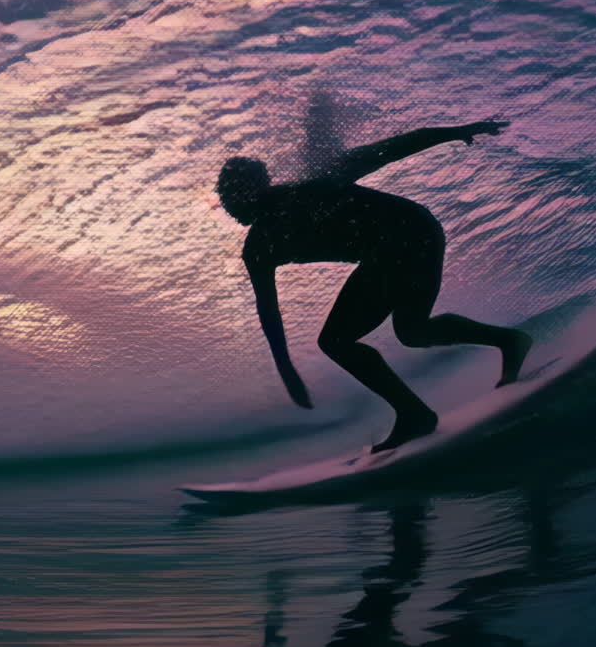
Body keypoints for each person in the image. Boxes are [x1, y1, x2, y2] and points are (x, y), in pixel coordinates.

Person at [217, 121, 532, 452]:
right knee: (413, 332)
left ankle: (415, 414)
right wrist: (285, 368)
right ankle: (509, 341)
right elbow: (268, 309)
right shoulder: (258, 249)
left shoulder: (311, 187)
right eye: (225, 197)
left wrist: (455, 132)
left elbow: (390, 149)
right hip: (388, 251)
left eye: (232, 195)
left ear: (254, 189)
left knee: (339, 341)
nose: (229, 205)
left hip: (412, 233)